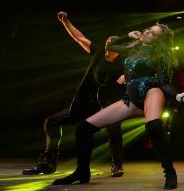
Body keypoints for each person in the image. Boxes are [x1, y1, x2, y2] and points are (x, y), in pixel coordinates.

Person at [53, 23, 184, 189]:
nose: (147, 32)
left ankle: (169, 172)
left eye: (153, 33)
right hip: (131, 99)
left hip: (151, 91)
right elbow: (109, 46)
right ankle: (82, 172)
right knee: (83, 129)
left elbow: (164, 82)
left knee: (154, 127)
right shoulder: (131, 50)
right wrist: (128, 36)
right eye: (148, 29)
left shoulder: (159, 55)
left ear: (159, 41)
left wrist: (176, 95)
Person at [23, 12, 125, 177]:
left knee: (114, 129)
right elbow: (80, 38)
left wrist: (128, 75)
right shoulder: (99, 53)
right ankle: (48, 163)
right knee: (51, 122)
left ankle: (117, 165)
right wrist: (66, 22)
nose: (109, 45)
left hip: (106, 105)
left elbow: (141, 68)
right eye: (107, 42)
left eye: (113, 43)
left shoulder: (124, 63)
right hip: (84, 103)